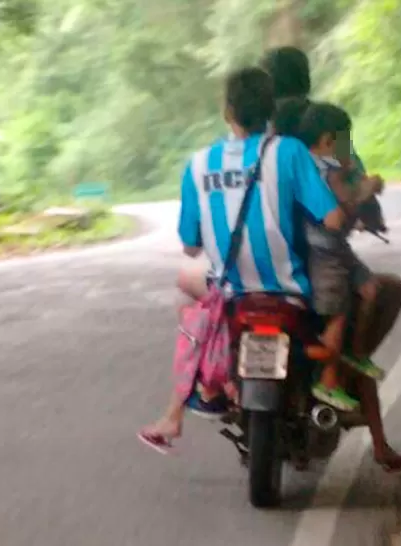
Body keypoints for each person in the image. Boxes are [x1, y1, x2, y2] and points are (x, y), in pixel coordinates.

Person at [138, 66, 350, 453]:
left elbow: (190, 246)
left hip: (230, 288)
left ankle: (210, 383)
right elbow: (333, 219)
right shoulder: (289, 151)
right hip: (288, 288)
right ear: (269, 111)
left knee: (186, 292)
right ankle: (327, 383)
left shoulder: (199, 163)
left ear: (227, 112)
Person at [259, 45, 401, 472]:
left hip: (264, 259)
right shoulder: (328, 125)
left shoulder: (256, 132)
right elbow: (353, 177)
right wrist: (370, 209)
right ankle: (345, 371)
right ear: (306, 80)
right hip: (322, 253)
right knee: (377, 296)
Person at [274, 99, 387, 411]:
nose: (349, 148)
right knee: (336, 314)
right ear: (327, 140)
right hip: (323, 254)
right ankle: (328, 379)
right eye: (345, 141)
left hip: (339, 250)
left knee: (370, 289)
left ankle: (355, 352)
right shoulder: (318, 169)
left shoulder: (328, 164)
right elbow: (339, 206)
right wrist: (366, 189)